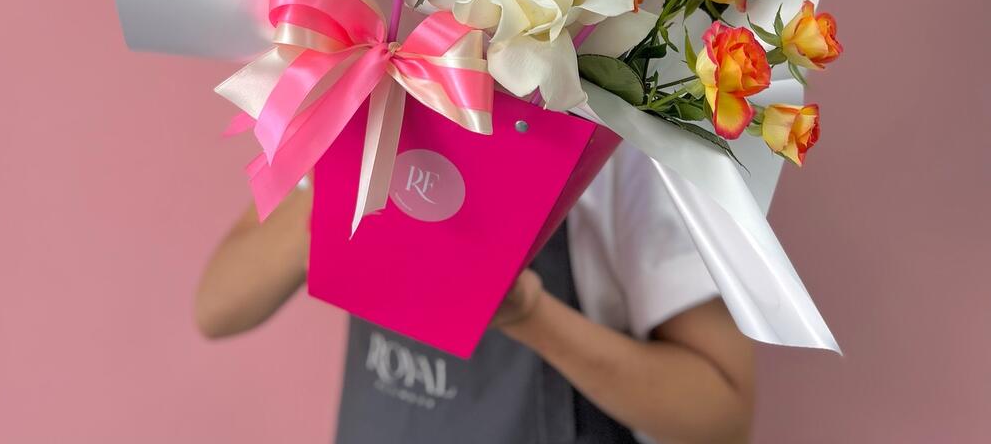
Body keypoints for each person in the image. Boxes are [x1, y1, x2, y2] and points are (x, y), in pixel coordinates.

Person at [195, 142, 755, 443]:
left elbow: (720, 418)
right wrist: (352, 168)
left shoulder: (626, 151)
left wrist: (528, 315)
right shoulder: (369, 102)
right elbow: (216, 307)